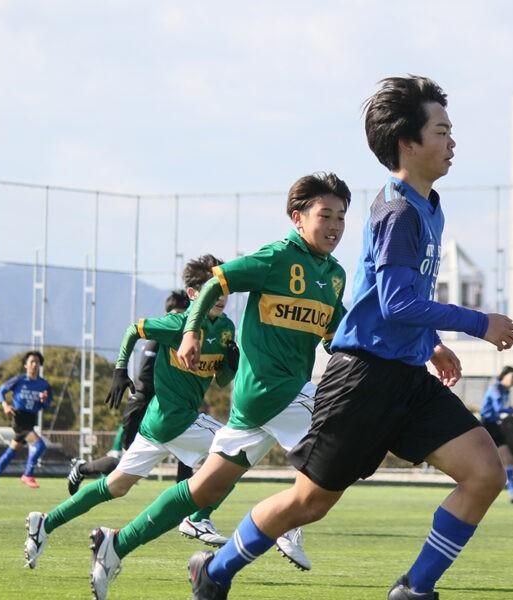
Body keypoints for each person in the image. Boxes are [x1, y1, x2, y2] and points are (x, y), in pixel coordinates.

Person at [186, 75, 513, 600]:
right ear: (407, 143)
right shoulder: (398, 211)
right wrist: (481, 323)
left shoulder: (428, 205)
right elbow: (396, 303)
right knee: (309, 503)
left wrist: (431, 341)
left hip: (407, 378)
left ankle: (413, 589)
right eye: (442, 130)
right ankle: (215, 570)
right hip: (361, 380)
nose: (453, 141)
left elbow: (403, 297)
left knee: (484, 472)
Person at [87, 172, 350, 600]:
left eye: (341, 216)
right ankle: (289, 527)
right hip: (273, 390)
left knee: (202, 489)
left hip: (261, 405)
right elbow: (215, 282)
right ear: (297, 217)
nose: (335, 225)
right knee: (334, 453)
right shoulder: (275, 258)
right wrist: (191, 331)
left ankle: (118, 544)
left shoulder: (335, 274)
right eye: (326, 215)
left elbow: (336, 330)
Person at [23, 255, 239, 573]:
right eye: (213, 287)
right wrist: (120, 370)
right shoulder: (178, 324)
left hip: (159, 424)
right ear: (194, 294)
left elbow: (220, 380)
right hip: (174, 419)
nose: (221, 294)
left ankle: (45, 522)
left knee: (115, 486)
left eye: (224, 287)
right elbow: (134, 329)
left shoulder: (225, 329)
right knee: (236, 451)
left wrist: (230, 362)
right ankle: (197, 519)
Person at [67, 289, 194, 495]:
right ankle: (81, 468)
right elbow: (145, 381)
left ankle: (186, 514)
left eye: (184, 314)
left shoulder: (186, 343)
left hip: (171, 411)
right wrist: (122, 372)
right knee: (123, 469)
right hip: (145, 408)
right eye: (176, 314)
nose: (180, 319)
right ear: (167, 315)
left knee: (187, 457)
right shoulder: (158, 340)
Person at [0, 351, 53, 495]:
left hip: (30, 420)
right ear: (26, 365)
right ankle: (27, 474)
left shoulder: (44, 384)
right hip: (19, 419)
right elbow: (1, 390)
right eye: (32, 361)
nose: (34, 364)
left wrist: (43, 400)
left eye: (37, 362)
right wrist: (5, 405)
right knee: (40, 445)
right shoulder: (19, 380)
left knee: (11, 452)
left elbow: (47, 406)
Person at [480, 366, 513, 503]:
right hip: (486, 425)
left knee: (507, 459)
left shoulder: (506, 391)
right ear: (505, 375)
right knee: (487, 462)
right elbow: (499, 408)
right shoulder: (495, 388)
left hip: (495, 426)